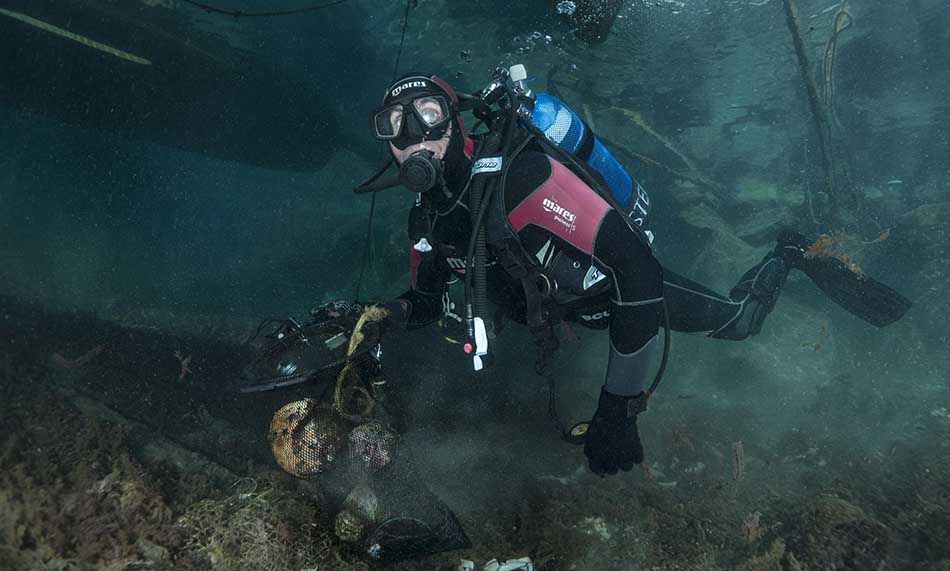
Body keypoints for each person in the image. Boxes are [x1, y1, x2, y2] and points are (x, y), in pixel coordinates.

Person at [331, 70, 909, 477]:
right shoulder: (426, 217)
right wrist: (378, 315)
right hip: (565, 308)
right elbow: (427, 301)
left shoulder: (522, 177)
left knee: (739, 323)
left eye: (428, 116)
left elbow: (637, 271)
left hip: (615, 294)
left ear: (455, 122)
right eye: (394, 125)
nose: (415, 138)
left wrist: (618, 407)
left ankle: (788, 253)